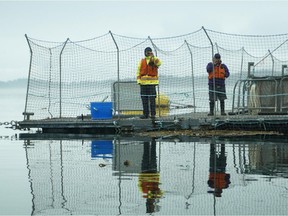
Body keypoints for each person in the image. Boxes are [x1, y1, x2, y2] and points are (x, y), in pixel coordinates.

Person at [137, 47, 162, 119]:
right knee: (144, 100)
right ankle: (145, 114)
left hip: (152, 84)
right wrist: (139, 81)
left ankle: (153, 114)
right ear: (144, 52)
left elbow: (159, 63)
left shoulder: (154, 60)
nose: (148, 53)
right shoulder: (142, 61)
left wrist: (153, 57)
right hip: (143, 84)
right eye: (147, 52)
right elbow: (138, 71)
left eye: (149, 51)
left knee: (152, 100)